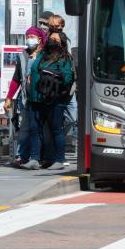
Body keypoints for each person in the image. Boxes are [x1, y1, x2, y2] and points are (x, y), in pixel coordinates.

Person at [6, 26, 46, 168]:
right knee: (24, 127)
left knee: (39, 128)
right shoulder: (22, 55)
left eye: (32, 37)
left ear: (39, 39)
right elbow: (17, 78)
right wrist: (9, 97)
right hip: (25, 98)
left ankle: (40, 156)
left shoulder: (44, 55)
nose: (29, 40)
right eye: (27, 37)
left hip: (42, 97)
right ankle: (22, 156)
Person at [36, 33, 75, 170]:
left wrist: (54, 78)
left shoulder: (65, 58)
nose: (53, 41)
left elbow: (68, 78)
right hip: (44, 98)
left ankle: (59, 159)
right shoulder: (43, 56)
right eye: (51, 39)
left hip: (57, 99)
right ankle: (48, 158)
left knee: (57, 130)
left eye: (56, 40)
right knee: (45, 130)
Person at [47, 14, 78, 156]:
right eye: (53, 24)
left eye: (59, 25)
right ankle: (55, 152)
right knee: (53, 122)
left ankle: (59, 129)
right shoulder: (48, 40)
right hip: (53, 87)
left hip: (68, 85)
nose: (56, 27)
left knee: (73, 115)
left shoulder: (66, 39)